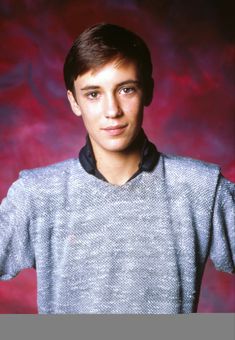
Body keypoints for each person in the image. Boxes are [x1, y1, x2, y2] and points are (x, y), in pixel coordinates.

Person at [0, 23, 234, 314]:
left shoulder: (203, 189)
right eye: (93, 94)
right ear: (74, 101)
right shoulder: (36, 195)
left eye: (126, 89)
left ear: (147, 91)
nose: (112, 111)